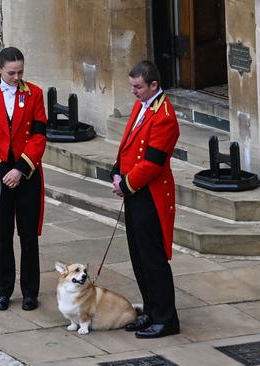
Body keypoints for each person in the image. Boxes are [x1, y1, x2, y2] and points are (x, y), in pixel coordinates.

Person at [0, 47, 47, 311]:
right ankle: (2, 291)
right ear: (0, 70)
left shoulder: (34, 93)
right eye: (12, 73)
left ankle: (30, 292)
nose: (17, 77)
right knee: (2, 235)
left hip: (26, 174)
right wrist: (2, 172)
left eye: (21, 72)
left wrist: (20, 170)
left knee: (28, 236)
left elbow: (39, 135)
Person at [111, 60, 180, 338]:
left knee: (153, 259)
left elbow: (152, 163)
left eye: (137, 87)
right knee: (138, 256)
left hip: (150, 196)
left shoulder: (164, 115)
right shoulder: (142, 106)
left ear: (153, 85)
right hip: (134, 192)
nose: (133, 92)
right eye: (131, 86)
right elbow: (128, 145)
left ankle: (167, 318)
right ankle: (151, 310)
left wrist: (125, 184)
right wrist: (117, 171)